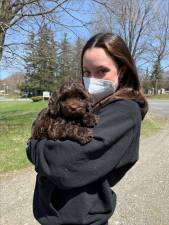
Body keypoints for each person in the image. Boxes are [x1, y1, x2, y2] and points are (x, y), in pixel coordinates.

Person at [26, 32, 148, 225]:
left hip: (82, 219)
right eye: (86, 72)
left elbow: (64, 163)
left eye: (102, 71)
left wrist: (32, 147)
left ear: (122, 70)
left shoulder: (124, 110)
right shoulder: (95, 105)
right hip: (55, 214)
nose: (92, 79)